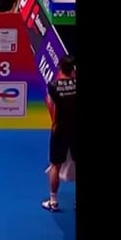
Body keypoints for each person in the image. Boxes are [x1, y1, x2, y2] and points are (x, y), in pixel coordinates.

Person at [42, 55, 77, 212]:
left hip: (60, 129)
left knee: (55, 165)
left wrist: (54, 124)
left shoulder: (53, 86)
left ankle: (53, 201)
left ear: (59, 67)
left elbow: (51, 106)